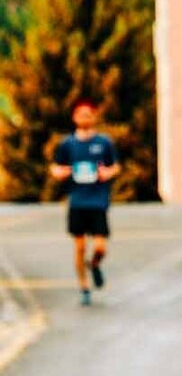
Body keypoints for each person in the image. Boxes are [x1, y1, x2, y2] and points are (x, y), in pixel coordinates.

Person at [50, 99, 120, 306]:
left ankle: (94, 264)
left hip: (97, 201)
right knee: (79, 246)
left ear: (94, 117)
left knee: (100, 247)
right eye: (81, 115)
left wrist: (108, 173)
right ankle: (84, 286)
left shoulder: (104, 143)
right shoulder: (67, 145)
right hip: (77, 201)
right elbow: (55, 167)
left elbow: (115, 166)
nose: (85, 118)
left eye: (88, 115)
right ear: (74, 118)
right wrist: (60, 173)